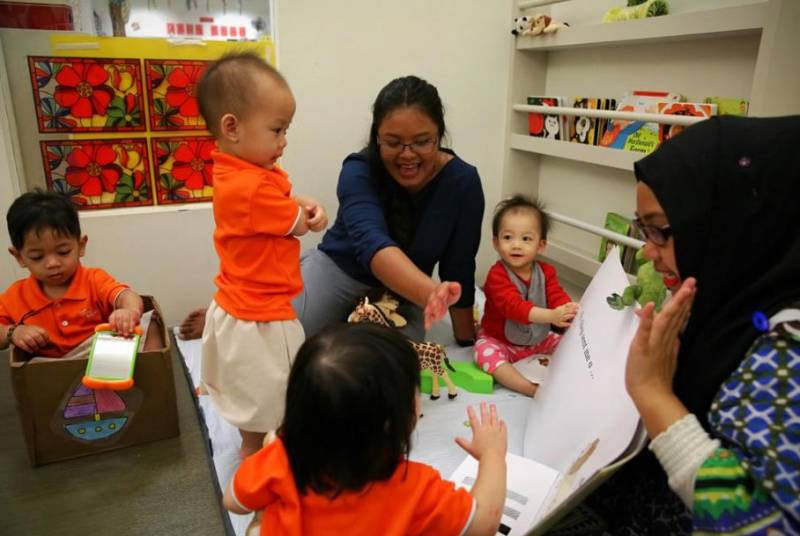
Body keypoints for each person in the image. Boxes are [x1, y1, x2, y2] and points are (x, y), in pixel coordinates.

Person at [589, 115, 800, 534]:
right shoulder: (724, 299)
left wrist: (653, 393)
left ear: (733, 221)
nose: (647, 252)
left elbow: (763, 524)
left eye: (660, 231)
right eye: (643, 229)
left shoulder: (786, 346)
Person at [180, 75, 484, 344]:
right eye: (393, 143)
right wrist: (432, 294)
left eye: (422, 142)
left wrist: (465, 338)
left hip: (406, 291)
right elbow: (372, 245)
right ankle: (227, 318)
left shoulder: (463, 182)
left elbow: (459, 263)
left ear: (439, 136)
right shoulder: (358, 169)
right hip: (340, 269)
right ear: (377, 137)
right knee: (278, 338)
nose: (407, 155)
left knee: (381, 361)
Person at [223, 322, 508, 536]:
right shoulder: (416, 488)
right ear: (399, 418)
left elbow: (233, 502)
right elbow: (482, 523)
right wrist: (492, 456)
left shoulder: (279, 457)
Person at [195, 52, 327, 458]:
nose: (283, 141)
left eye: (286, 129)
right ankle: (258, 465)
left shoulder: (236, 172)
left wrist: (301, 204)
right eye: (276, 129)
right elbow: (298, 223)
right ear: (232, 127)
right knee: (268, 397)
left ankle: (255, 449)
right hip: (259, 316)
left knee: (251, 393)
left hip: (237, 304)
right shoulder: (252, 188)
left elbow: (283, 204)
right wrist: (312, 214)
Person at [0, 189, 147, 357]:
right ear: (19, 257)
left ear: (81, 246)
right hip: (46, 365)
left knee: (150, 323)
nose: (52, 263)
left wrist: (128, 311)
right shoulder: (16, 296)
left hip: (99, 357)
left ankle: (150, 371)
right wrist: (13, 332)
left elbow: (126, 295)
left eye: (63, 252)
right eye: (37, 257)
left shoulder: (93, 279)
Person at [475, 195, 578, 396]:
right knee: (483, 353)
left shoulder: (547, 272)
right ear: (496, 243)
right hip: (501, 341)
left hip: (538, 339)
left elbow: (556, 295)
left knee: (570, 346)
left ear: (540, 245)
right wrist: (551, 316)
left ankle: (569, 381)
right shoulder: (497, 275)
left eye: (526, 239)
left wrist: (567, 309)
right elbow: (514, 307)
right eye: (508, 237)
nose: (516, 245)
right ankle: (530, 389)